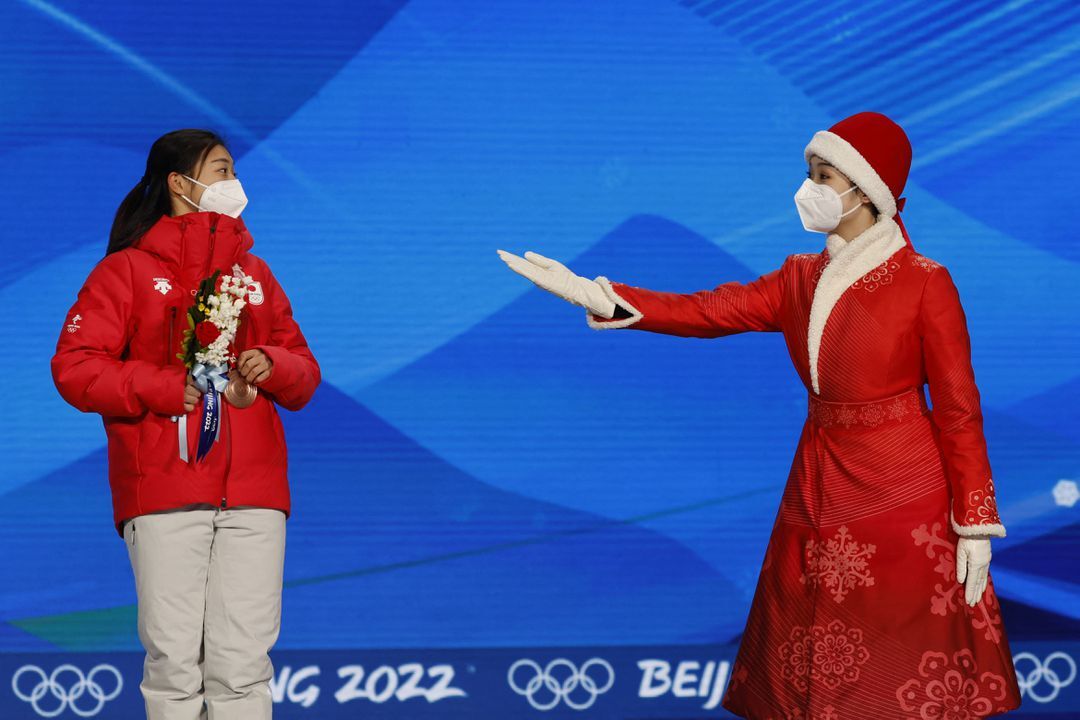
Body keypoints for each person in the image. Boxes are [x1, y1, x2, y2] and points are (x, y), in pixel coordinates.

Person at [498, 111, 1022, 718]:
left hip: (905, 491)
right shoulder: (799, 278)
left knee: (899, 660)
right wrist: (607, 298)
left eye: (825, 175)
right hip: (818, 476)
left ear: (866, 187)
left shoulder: (926, 282)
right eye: (810, 173)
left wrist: (976, 521)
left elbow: (959, 410)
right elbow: (710, 310)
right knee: (809, 653)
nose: (811, 189)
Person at [51, 129, 321, 720]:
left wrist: (272, 364)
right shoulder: (124, 273)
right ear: (180, 183)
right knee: (174, 664)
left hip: (253, 494)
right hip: (165, 487)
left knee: (244, 664)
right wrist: (164, 386)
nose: (233, 183)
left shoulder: (254, 275)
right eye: (221, 170)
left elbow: (304, 374)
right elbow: (75, 368)